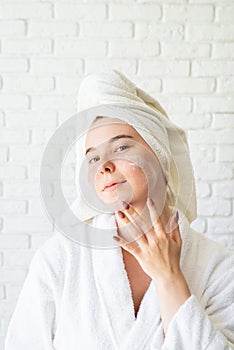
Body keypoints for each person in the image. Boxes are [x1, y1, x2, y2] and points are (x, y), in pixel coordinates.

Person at [4, 70, 234, 350]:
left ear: (160, 153)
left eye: (122, 146)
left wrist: (169, 277)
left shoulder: (219, 267)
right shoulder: (59, 259)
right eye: (93, 158)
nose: (104, 166)